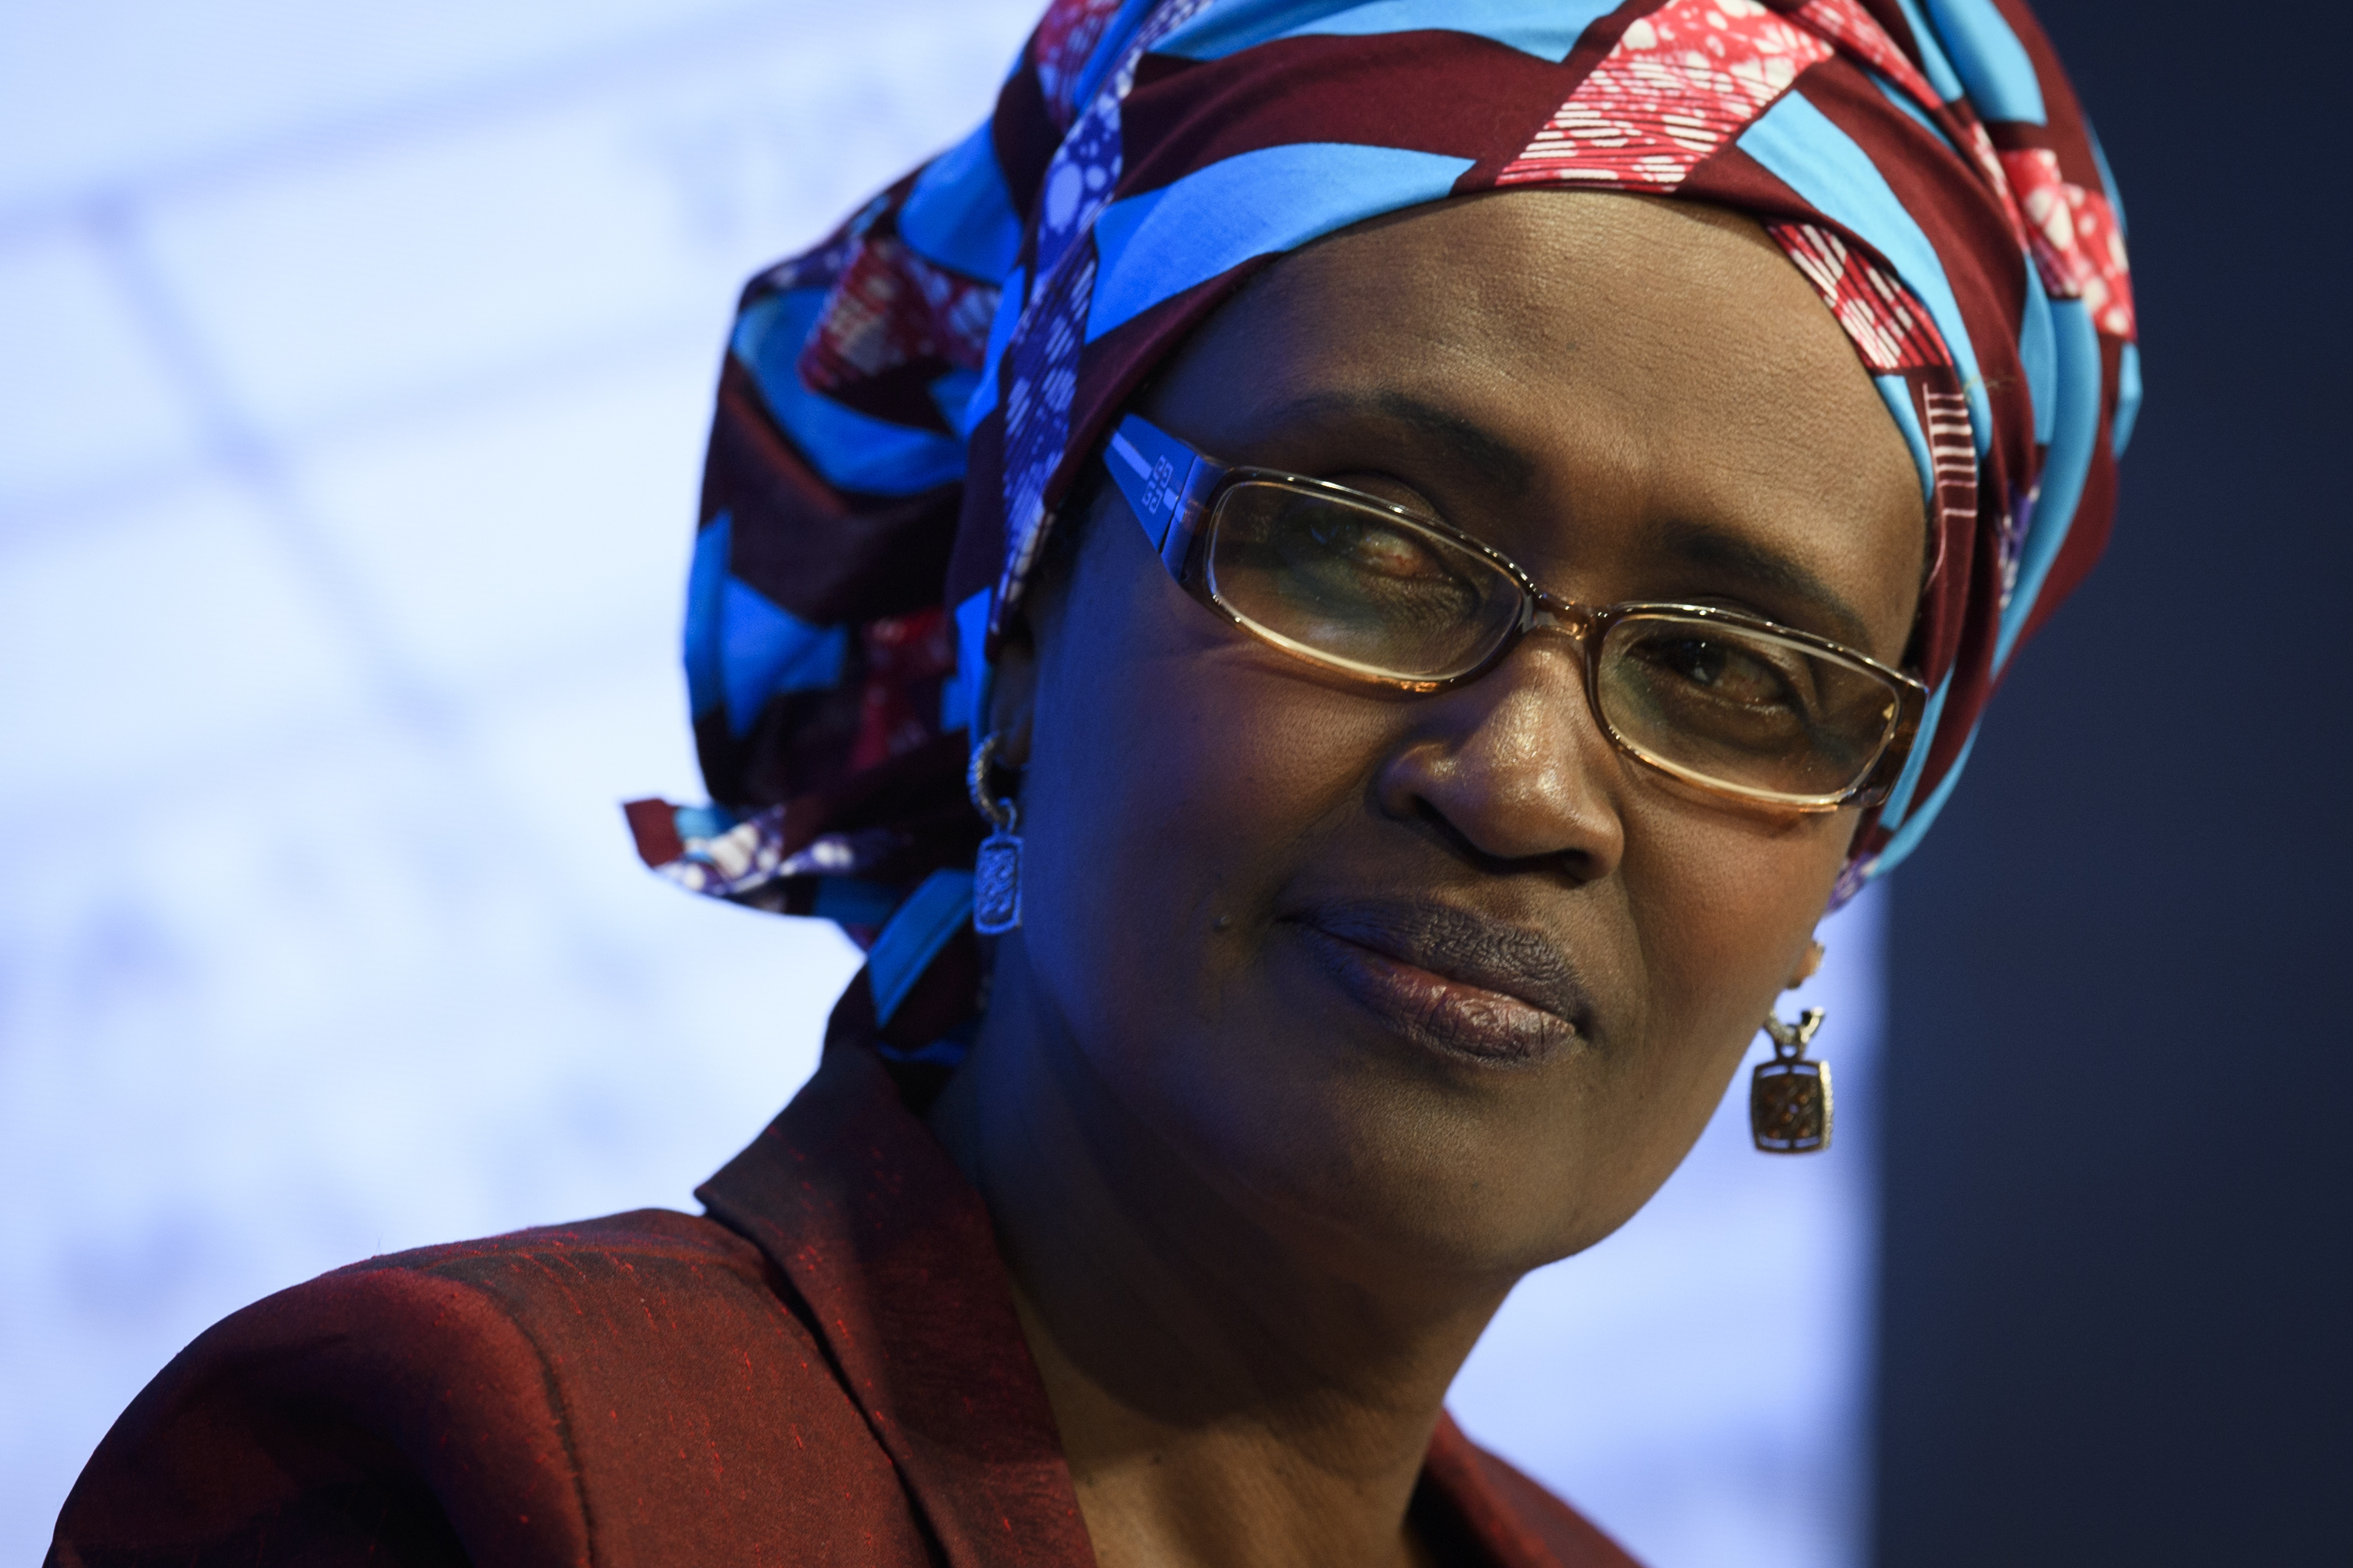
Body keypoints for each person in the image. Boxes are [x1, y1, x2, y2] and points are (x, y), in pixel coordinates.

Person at [49, 1, 2135, 1563]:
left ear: (1852, 856)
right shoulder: (484, 1475)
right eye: (1362, 543)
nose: (1519, 782)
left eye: (1735, 674)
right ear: (1028, 619)